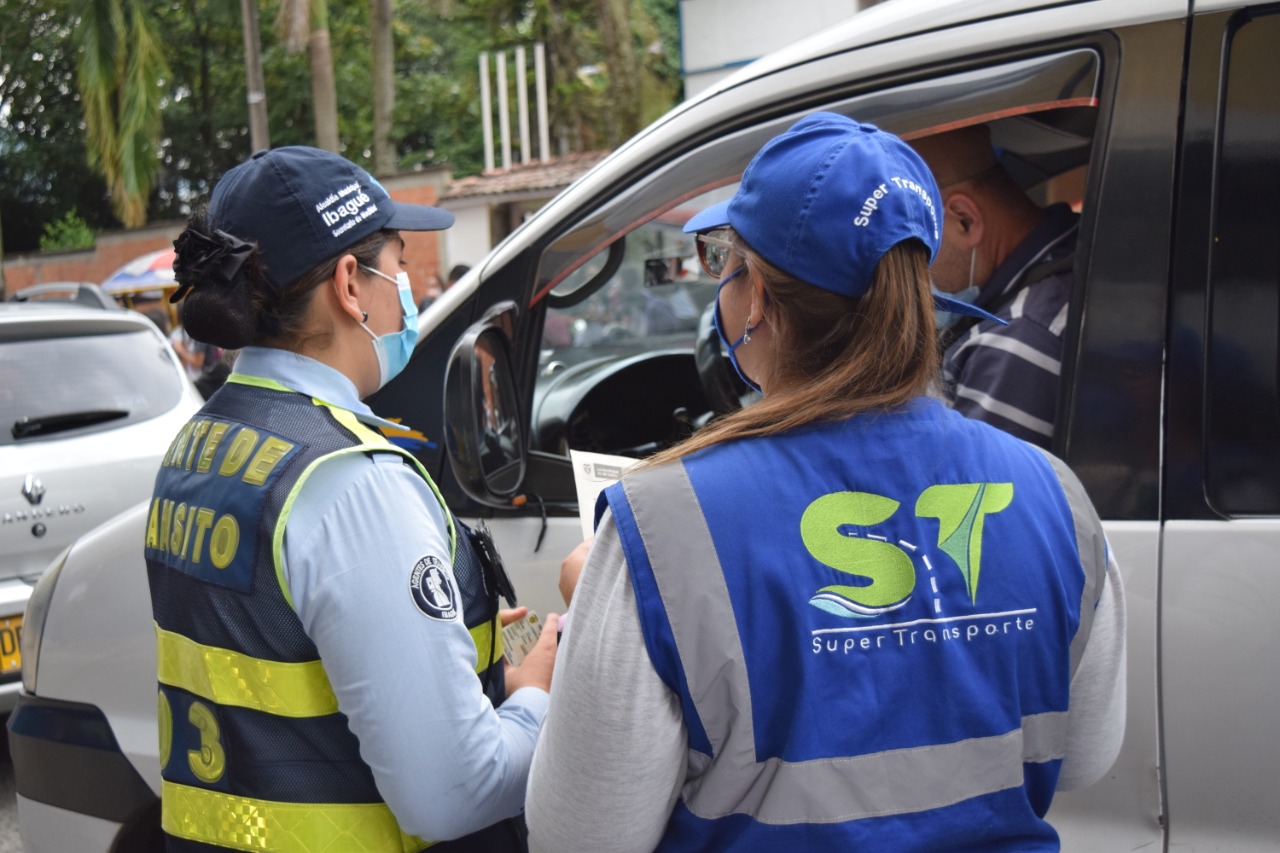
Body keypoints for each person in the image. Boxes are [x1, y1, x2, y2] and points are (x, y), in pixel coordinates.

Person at [525, 113, 1125, 851]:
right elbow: (1086, 757)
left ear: (757, 298)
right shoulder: (1055, 495)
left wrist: (607, 617)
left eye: (724, 259)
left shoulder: (659, 527)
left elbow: (579, 836)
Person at [145, 146, 559, 852]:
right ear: (349, 284)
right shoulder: (352, 481)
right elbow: (455, 791)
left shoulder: (200, 445)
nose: (406, 290)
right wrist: (535, 697)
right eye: (398, 264)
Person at [908, 124, 1080, 449]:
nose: (910, 276)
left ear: (964, 220)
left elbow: (965, 481)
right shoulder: (1074, 248)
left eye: (913, 249)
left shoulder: (1018, 339)